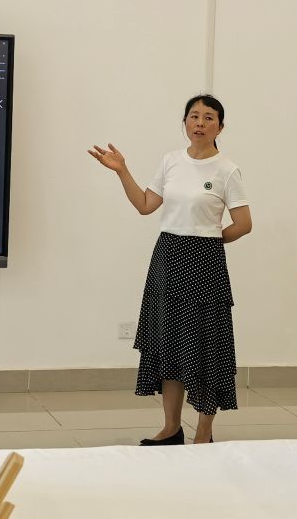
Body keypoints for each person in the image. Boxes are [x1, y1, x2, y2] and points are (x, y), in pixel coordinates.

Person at [90, 95, 253, 445]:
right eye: (193, 116)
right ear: (185, 123)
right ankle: (171, 428)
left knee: (206, 346)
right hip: (167, 258)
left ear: (220, 127)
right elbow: (145, 205)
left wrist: (209, 241)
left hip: (205, 264)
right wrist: (122, 170)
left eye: (208, 117)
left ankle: (204, 432)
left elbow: (243, 223)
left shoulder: (227, 170)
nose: (200, 123)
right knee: (169, 343)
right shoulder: (171, 161)